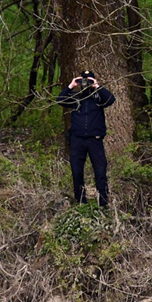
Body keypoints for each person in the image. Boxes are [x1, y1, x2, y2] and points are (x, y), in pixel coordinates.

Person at [56, 70, 115, 207]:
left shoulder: (98, 98)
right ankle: (81, 201)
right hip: (78, 140)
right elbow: (60, 100)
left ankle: (103, 203)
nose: (85, 84)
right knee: (77, 171)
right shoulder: (76, 97)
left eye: (88, 81)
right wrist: (71, 86)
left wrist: (97, 86)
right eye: (83, 81)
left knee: (100, 171)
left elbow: (111, 100)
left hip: (95, 139)